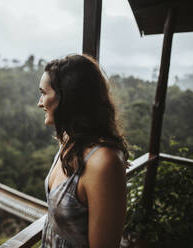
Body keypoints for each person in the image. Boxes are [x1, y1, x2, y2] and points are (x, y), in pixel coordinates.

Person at [38, 54, 128, 248]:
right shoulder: (68, 142)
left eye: (44, 93)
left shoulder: (104, 162)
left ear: (67, 96)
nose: (40, 102)